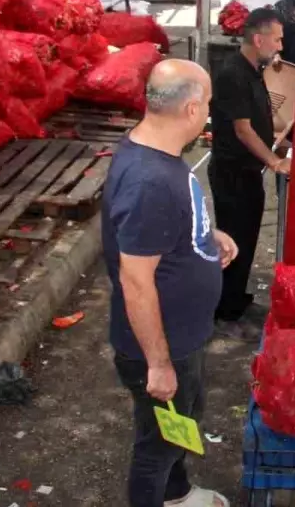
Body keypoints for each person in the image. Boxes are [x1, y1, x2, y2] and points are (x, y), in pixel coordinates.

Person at [103, 59, 239, 507]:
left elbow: (157, 232)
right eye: (209, 106)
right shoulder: (150, 181)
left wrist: (203, 236)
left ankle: (177, 494)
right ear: (192, 108)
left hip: (183, 335)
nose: (210, 114)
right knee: (157, 444)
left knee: (184, 416)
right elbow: (136, 281)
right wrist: (157, 364)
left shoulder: (158, 153)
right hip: (162, 345)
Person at [209, 7, 290, 342]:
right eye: (277, 39)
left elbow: (259, 118)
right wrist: (274, 161)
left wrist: (286, 132)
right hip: (232, 174)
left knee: (248, 238)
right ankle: (225, 314)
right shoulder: (232, 74)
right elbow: (243, 130)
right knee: (232, 242)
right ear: (259, 39)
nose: (281, 46)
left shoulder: (255, 69)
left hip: (248, 172)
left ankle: (238, 301)